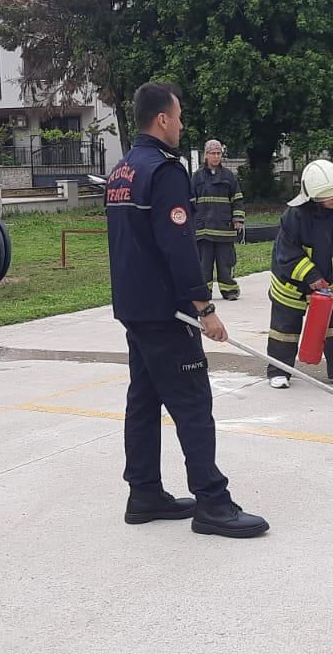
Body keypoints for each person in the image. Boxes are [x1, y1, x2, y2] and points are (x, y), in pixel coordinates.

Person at [105, 81, 267, 538]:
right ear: (162, 119)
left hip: (134, 307)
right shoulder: (165, 171)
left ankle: (144, 493)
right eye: (177, 117)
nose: (181, 125)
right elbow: (178, 245)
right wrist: (204, 306)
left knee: (143, 400)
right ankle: (212, 502)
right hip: (167, 313)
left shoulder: (121, 171)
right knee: (193, 403)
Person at [266, 159, 333, 389]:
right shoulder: (294, 215)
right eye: (329, 195)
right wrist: (312, 276)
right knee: (284, 330)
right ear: (313, 196)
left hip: (327, 284)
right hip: (291, 286)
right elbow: (287, 253)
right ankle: (279, 371)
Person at [193, 139, 245, 300]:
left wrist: (238, 219)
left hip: (225, 229)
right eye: (213, 153)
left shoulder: (229, 176)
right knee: (204, 265)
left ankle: (229, 291)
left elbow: (237, 199)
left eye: (218, 153)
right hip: (203, 230)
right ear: (206, 155)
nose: (216, 156)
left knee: (225, 263)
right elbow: (189, 201)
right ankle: (204, 292)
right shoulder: (197, 177)